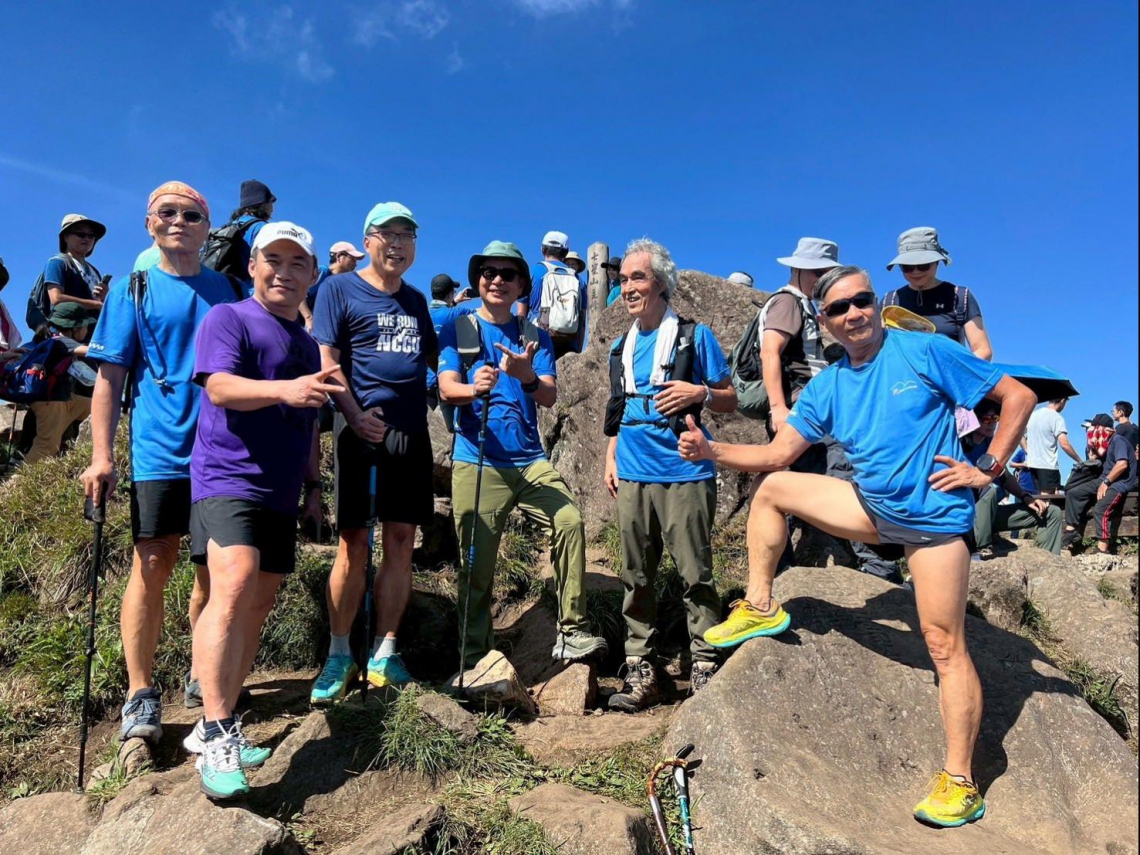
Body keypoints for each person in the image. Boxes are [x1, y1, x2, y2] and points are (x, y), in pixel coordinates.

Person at [678, 265, 1036, 828]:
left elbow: (1017, 395)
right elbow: (776, 455)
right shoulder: (827, 385)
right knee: (774, 489)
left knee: (943, 646)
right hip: (871, 510)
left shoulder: (923, 351)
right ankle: (760, 605)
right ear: (823, 322)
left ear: (875, 302)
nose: (854, 314)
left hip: (934, 523)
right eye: (839, 309)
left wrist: (987, 469)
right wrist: (711, 452)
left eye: (862, 301)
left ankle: (961, 781)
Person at [80, 182, 243, 745]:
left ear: (207, 226)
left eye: (192, 214)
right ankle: (140, 693)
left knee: (211, 570)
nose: (180, 221)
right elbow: (110, 377)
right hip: (158, 449)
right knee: (152, 564)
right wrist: (102, 456)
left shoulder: (226, 288)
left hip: (221, 453)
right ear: (150, 224)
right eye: (167, 213)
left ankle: (202, 671)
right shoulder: (133, 287)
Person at [184, 222, 330, 799]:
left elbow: (311, 415)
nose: (285, 272)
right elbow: (218, 387)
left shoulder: (306, 344)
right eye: (274, 259)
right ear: (253, 265)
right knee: (235, 583)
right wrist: (284, 391)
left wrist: (315, 486)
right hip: (226, 478)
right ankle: (218, 730)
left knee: (261, 598)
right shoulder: (230, 319)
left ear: (312, 276)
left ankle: (214, 725)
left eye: (298, 263)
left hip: (281, 489)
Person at [438, 241, 607, 670]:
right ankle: (474, 655)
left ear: (521, 286)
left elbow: (549, 395)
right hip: (475, 459)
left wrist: (527, 374)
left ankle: (571, 631)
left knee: (568, 520)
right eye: (488, 272)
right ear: (477, 280)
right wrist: (473, 389)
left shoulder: (536, 337)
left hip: (530, 458)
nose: (496, 280)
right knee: (475, 563)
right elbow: (446, 387)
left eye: (507, 274)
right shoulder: (459, 327)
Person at [310, 202, 438, 701]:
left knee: (402, 540)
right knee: (353, 543)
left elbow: (434, 357)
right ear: (367, 240)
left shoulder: (416, 300)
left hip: (410, 434)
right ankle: (339, 653)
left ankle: (385, 652)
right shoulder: (338, 289)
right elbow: (327, 361)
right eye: (388, 234)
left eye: (408, 235)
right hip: (358, 433)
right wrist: (353, 412)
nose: (398, 243)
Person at [602, 239, 736, 711]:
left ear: (661, 283)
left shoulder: (694, 337)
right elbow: (618, 408)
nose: (629, 287)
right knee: (635, 574)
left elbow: (729, 398)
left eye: (638, 278)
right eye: (623, 280)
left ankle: (704, 664)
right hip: (633, 473)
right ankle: (642, 667)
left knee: (694, 572)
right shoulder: (619, 347)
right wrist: (610, 455)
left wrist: (698, 392)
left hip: (685, 470)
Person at [761, 238, 900, 583]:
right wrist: (779, 408)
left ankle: (781, 573)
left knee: (791, 487)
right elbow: (770, 352)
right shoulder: (788, 303)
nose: (824, 281)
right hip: (803, 412)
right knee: (843, 480)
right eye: (820, 273)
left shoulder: (801, 303)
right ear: (800, 269)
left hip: (807, 409)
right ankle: (879, 570)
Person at [965, 401, 1062, 557]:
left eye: (995, 418)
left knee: (1051, 512)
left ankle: (1048, 561)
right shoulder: (959, 446)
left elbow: (1004, 475)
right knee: (989, 489)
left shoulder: (992, 446)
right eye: (986, 419)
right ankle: (981, 549)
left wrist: (1026, 497)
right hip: (968, 516)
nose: (991, 423)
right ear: (973, 419)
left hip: (993, 514)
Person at [881, 227, 992, 360]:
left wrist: (957, 375)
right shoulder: (889, 301)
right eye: (908, 267)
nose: (916, 271)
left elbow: (982, 350)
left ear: (937, 262)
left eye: (923, 265)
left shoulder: (960, 297)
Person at [23, 303, 95, 465]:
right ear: (74, 327)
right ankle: (13, 488)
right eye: (85, 325)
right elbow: (91, 351)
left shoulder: (51, 339)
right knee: (46, 447)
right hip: (51, 402)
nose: (87, 330)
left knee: (100, 407)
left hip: (63, 400)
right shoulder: (62, 341)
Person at [1063, 406, 1139, 552]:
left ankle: (1103, 549)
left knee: (1100, 510)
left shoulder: (1118, 440)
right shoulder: (1103, 444)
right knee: (1074, 493)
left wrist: (1106, 482)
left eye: (1094, 428)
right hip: (1105, 479)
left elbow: (1122, 464)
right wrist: (1092, 458)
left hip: (1119, 482)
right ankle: (1072, 530)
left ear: (1101, 429)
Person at [524, 230, 586, 357]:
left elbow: (521, 313)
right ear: (566, 252)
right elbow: (582, 318)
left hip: (540, 339)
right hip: (570, 342)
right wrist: (578, 349)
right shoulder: (578, 279)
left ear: (542, 250)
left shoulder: (535, 272)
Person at [38, 214, 108, 323]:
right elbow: (56, 298)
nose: (86, 238)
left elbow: (101, 304)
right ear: (65, 237)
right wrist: (95, 305)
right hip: (66, 333)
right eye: (81, 234)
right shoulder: (57, 263)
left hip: (92, 334)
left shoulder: (94, 271)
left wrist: (104, 297)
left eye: (91, 236)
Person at [1025, 398, 1082, 495]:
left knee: (1041, 496)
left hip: (1033, 464)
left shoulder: (1034, 415)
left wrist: (1027, 450)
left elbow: (1019, 435)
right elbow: (1064, 444)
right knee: (1047, 499)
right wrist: (1079, 460)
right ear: (1062, 400)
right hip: (1047, 464)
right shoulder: (1056, 418)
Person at [304, 241, 366, 326]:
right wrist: (308, 318)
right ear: (339, 256)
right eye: (352, 259)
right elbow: (299, 293)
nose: (355, 264)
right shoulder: (323, 272)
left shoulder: (339, 284)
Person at [427, 273, 460, 409]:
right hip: (443, 380)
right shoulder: (455, 313)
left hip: (421, 382)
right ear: (451, 293)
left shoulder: (420, 312)